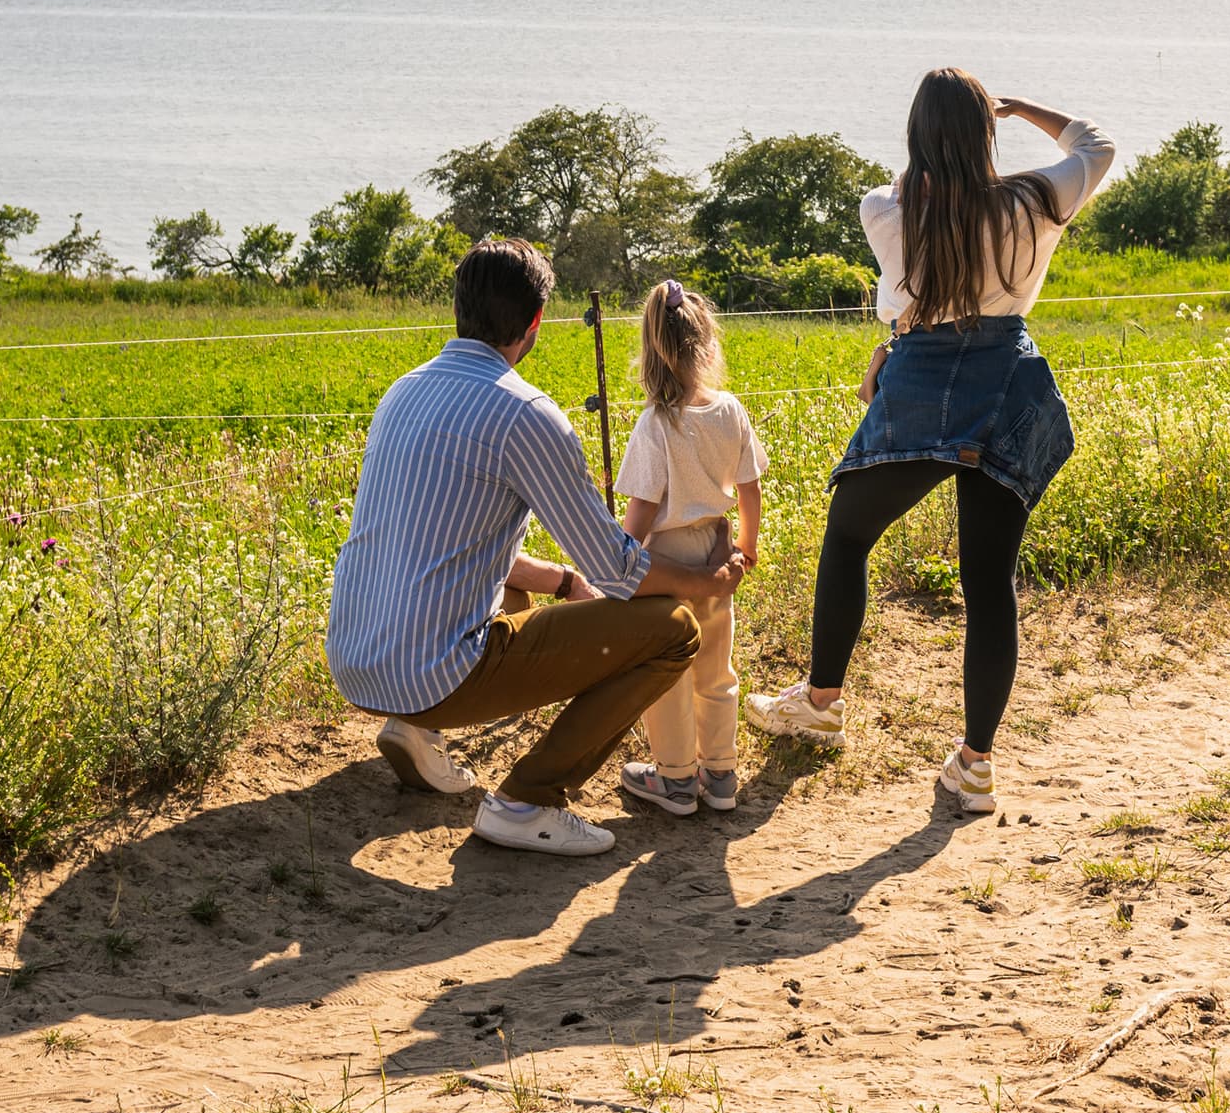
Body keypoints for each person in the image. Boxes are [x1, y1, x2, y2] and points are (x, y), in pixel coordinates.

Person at [747, 71, 1113, 817]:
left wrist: (938, 150)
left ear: (915, 138)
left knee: (848, 533)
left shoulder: (888, 211)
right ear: (988, 135)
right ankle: (975, 764)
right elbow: (1096, 144)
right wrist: (1017, 111)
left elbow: (906, 204)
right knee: (989, 579)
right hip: (1006, 378)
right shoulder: (1034, 200)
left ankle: (821, 701)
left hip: (924, 377)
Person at [326, 236, 748, 857]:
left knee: (521, 586)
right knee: (675, 630)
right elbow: (615, 565)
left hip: (356, 657)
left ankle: (416, 728)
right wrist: (706, 584)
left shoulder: (403, 391)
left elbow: (439, 543)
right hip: (435, 674)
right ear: (535, 323)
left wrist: (559, 582)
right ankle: (529, 800)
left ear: (460, 309)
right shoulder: (524, 412)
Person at [611, 279, 769, 820]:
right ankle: (720, 773)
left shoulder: (656, 424)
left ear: (651, 352)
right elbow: (749, 490)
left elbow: (642, 513)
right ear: (706, 342)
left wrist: (621, 562)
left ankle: (676, 779)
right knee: (715, 667)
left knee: (668, 668)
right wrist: (744, 552)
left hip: (667, 561)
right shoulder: (730, 410)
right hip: (717, 553)